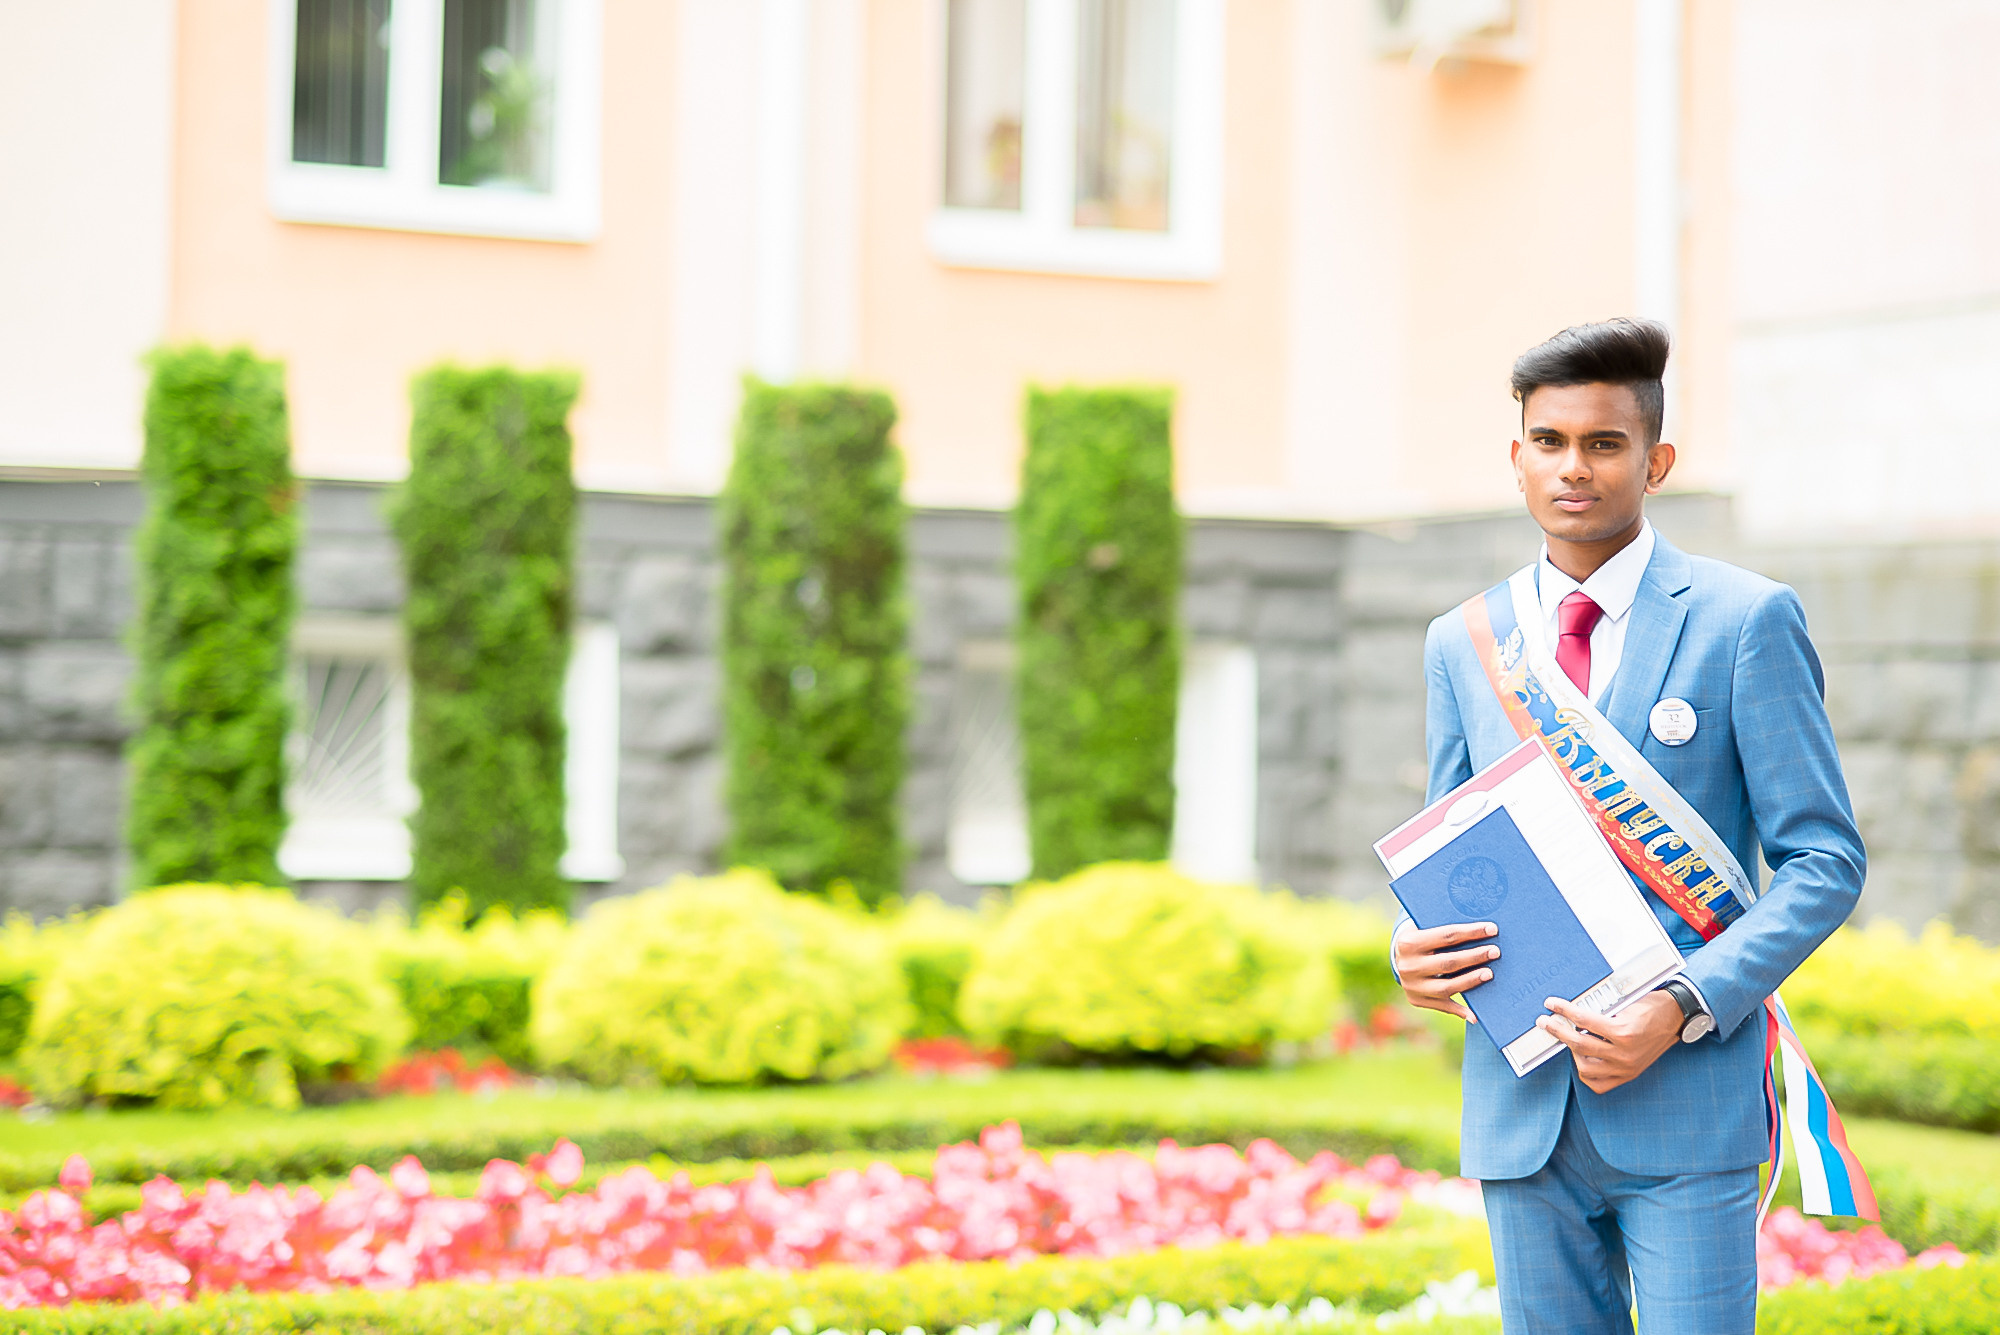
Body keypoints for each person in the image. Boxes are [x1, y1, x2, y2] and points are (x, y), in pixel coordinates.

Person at [1391, 318, 1866, 1334]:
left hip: (1684, 1096)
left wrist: (1685, 1003)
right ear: (1514, 459)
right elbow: (1450, 852)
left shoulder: (1743, 621)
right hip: (1523, 1111)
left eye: (1603, 444)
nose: (1574, 468)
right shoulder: (1460, 643)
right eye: (1550, 443)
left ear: (1653, 462)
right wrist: (1412, 950)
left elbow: (1821, 861)